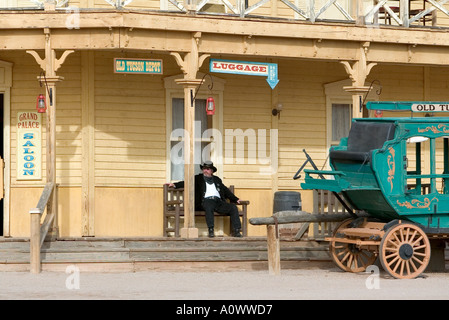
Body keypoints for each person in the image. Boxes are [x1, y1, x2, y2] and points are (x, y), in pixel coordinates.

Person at [167, 161, 243, 238]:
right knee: (209, 205)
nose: (205, 170)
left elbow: (225, 190)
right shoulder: (198, 178)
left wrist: (236, 199)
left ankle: (237, 230)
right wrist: (175, 184)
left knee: (233, 207)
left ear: (211, 171)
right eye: (204, 169)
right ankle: (211, 230)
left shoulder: (217, 179)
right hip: (205, 201)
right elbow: (187, 183)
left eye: (207, 169)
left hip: (218, 202)